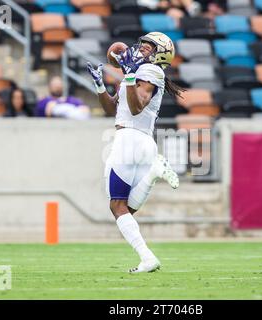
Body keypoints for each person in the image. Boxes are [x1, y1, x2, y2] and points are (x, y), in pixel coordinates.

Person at [87, 32, 184, 273]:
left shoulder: (150, 71)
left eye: (148, 47)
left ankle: (147, 257)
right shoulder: (140, 72)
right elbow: (114, 109)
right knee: (126, 209)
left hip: (129, 140)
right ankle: (147, 257)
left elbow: (137, 107)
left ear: (160, 53)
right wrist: (100, 85)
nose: (141, 49)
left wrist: (129, 74)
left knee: (117, 206)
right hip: (141, 143)